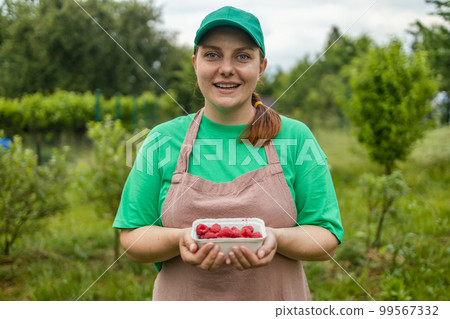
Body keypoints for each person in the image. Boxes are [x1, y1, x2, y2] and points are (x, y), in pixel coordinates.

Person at [113, 6, 343, 301]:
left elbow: (327, 237)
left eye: (243, 56)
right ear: (195, 62)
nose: (226, 68)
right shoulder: (162, 139)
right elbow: (132, 238)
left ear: (261, 67)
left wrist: (277, 238)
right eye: (212, 55)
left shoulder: (295, 137)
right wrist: (179, 239)